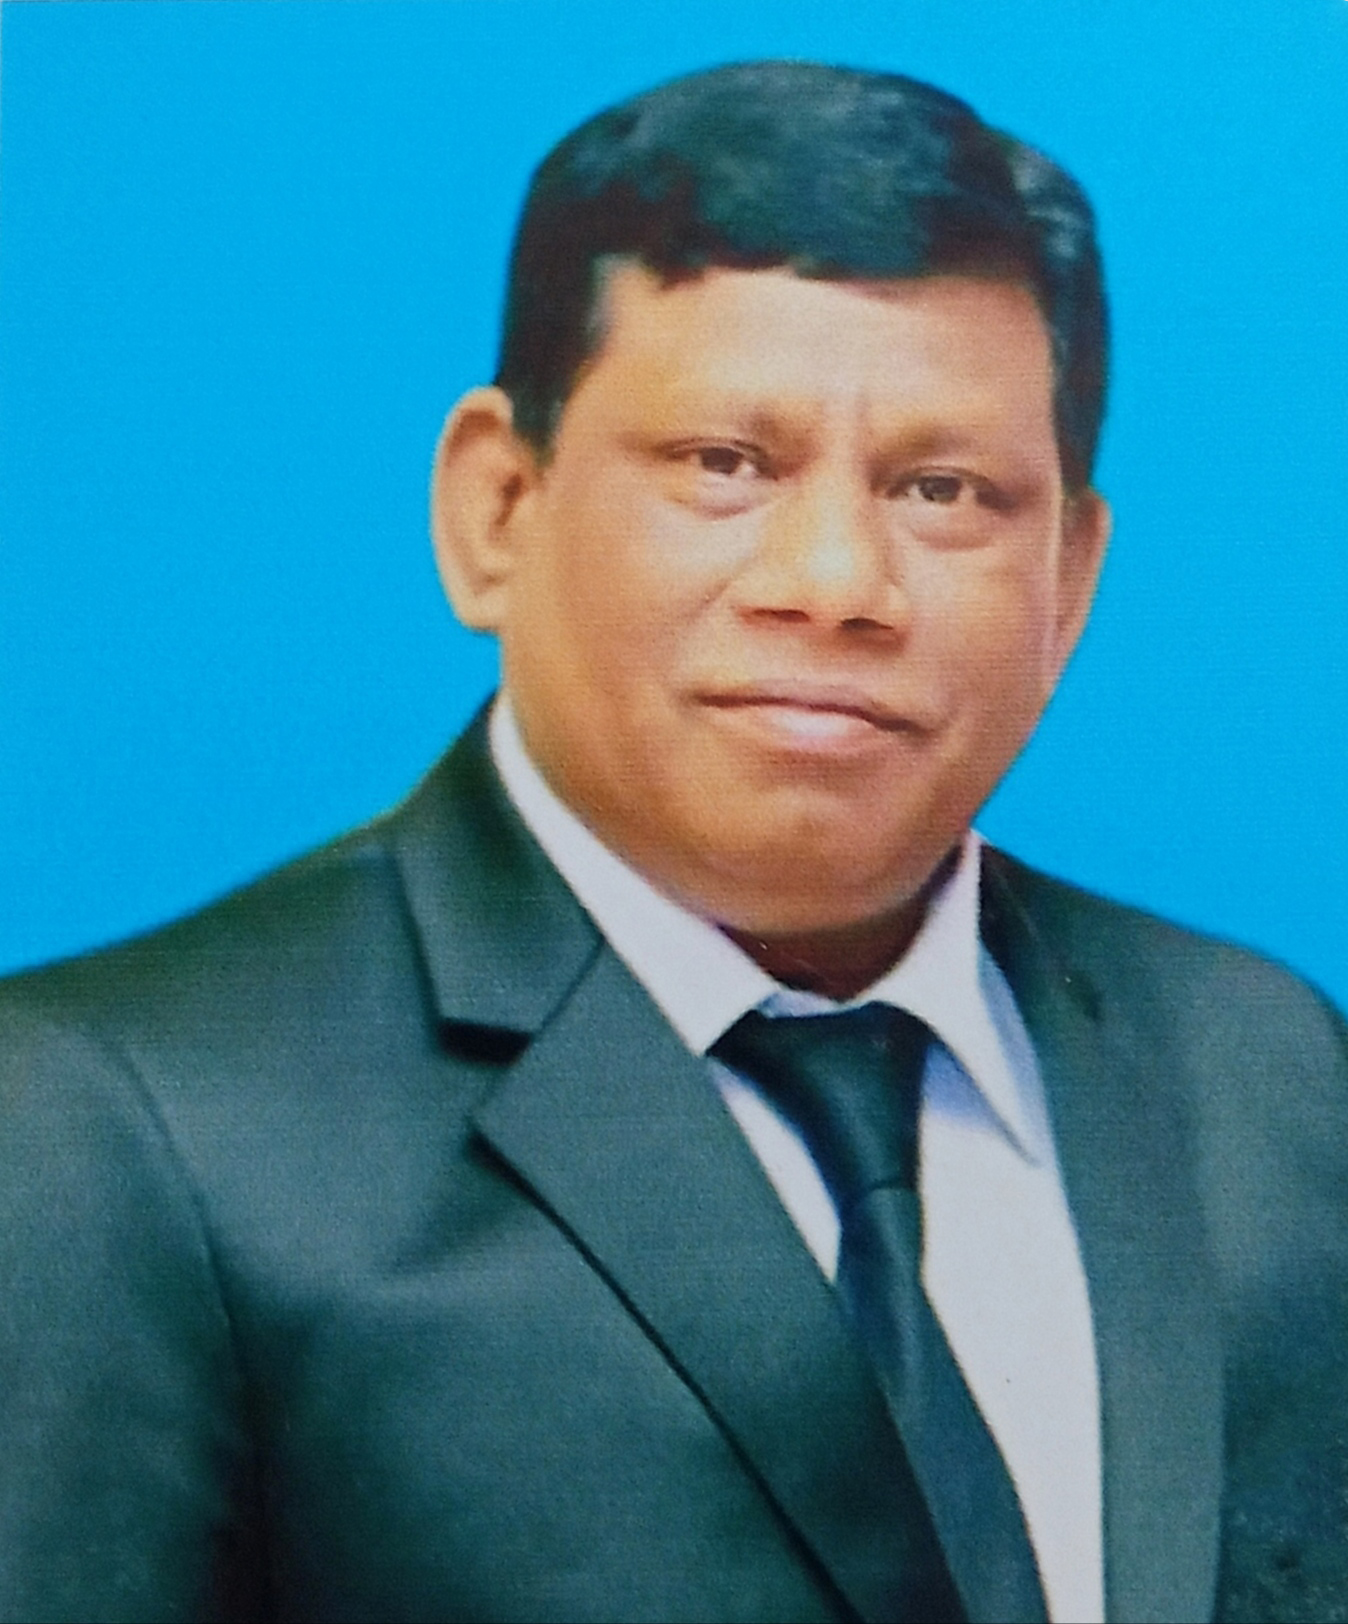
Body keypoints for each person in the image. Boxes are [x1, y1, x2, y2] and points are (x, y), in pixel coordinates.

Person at [1, 59, 1344, 1624]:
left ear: (1069, 582)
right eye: (726, 465)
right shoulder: (112, 1130)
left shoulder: (1263, 1074)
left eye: (944, 489)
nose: (836, 584)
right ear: (499, 508)